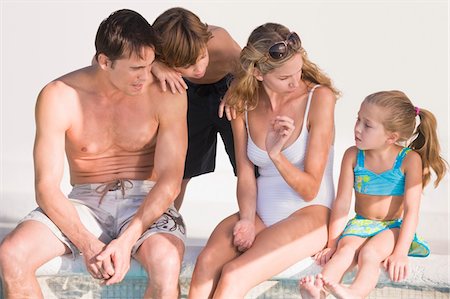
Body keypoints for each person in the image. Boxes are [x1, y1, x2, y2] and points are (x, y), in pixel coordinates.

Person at [0, 9, 187, 299]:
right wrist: (88, 245)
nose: (145, 76)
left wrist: (126, 242)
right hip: (86, 202)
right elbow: (46, 188)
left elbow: (170, 181)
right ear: (104, 61)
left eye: (149, 65)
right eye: (135, 68)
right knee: (12, 255)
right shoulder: (59, 95)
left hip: (145, 200)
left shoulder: (166, 93)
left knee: (167, 263)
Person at [188, 23, 341, 298]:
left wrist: (276, 155)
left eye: (298, 70)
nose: (296, 82)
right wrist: (246, 219)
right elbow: (245, 175)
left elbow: (310, 189)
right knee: (206, 263)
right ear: (258, 73)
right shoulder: (242, 104)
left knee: (234, 274)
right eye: (284, 78)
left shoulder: (318, 99)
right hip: (259, 213)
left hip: (308, 214)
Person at [299, 90, 448, 299]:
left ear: (392, 137)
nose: (357, 128)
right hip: (360, 223)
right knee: (344, 251)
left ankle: (355, 293)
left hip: (392, 227)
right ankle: (319, 289)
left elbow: (412, 211)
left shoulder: (409, 160)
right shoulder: (353, 155)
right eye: (358, 119)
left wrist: (400, 252)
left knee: (370, 255)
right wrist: (332, 243)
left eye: (367, 125)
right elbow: (342, 203)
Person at [151, 7, 242, 210]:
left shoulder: (219, 40)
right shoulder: (153, 50)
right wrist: (153, 64)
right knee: (180, 169)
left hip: (228, 91)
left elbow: (251, 65)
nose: (199, 69)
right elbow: (103, 59)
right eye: (188, 65)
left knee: (247, 165)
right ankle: (167, 220)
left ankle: (256, 219)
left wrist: (238, 86)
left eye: (202, 57)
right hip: (188, 93)